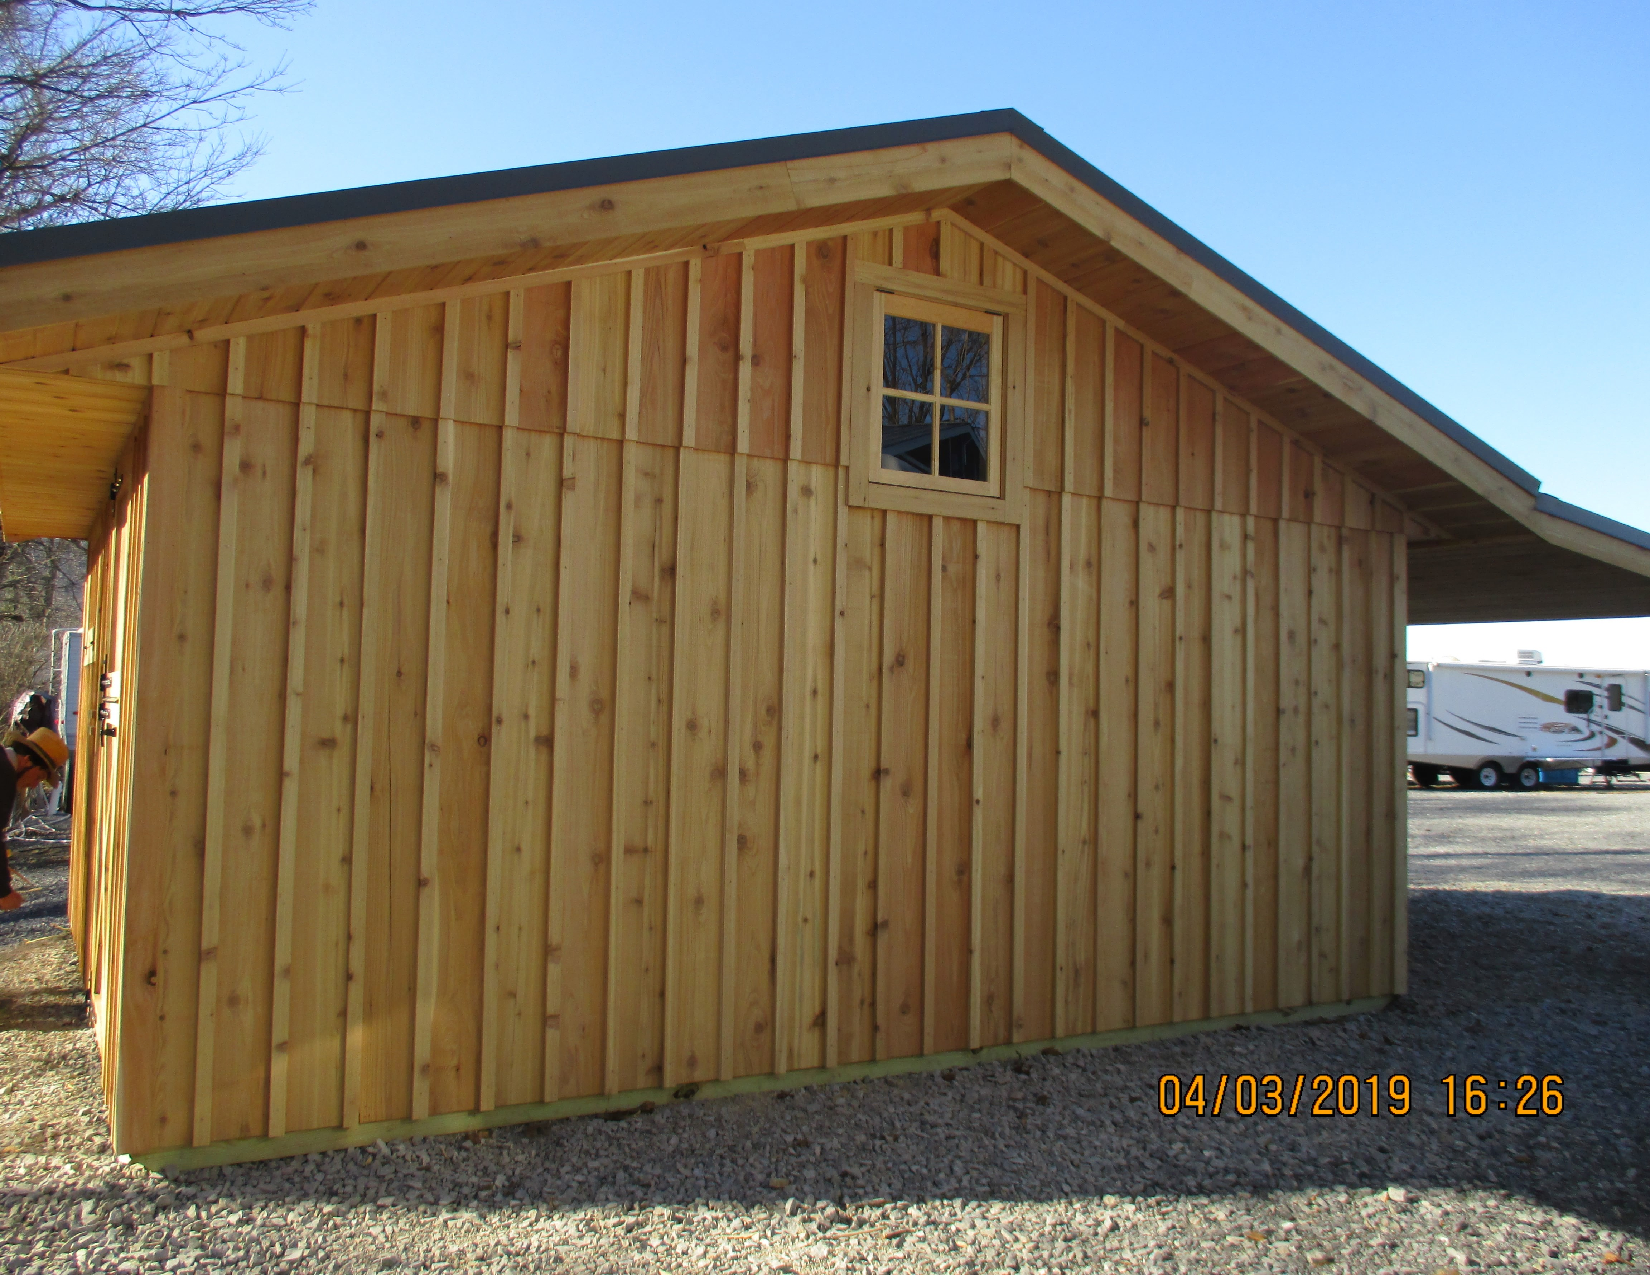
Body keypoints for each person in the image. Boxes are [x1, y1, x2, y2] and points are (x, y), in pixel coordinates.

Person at [0, 727, 69, 911]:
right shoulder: (4, 775)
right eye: (38, 776)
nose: (33, 784)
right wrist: (4, 892)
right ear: (27, 761)